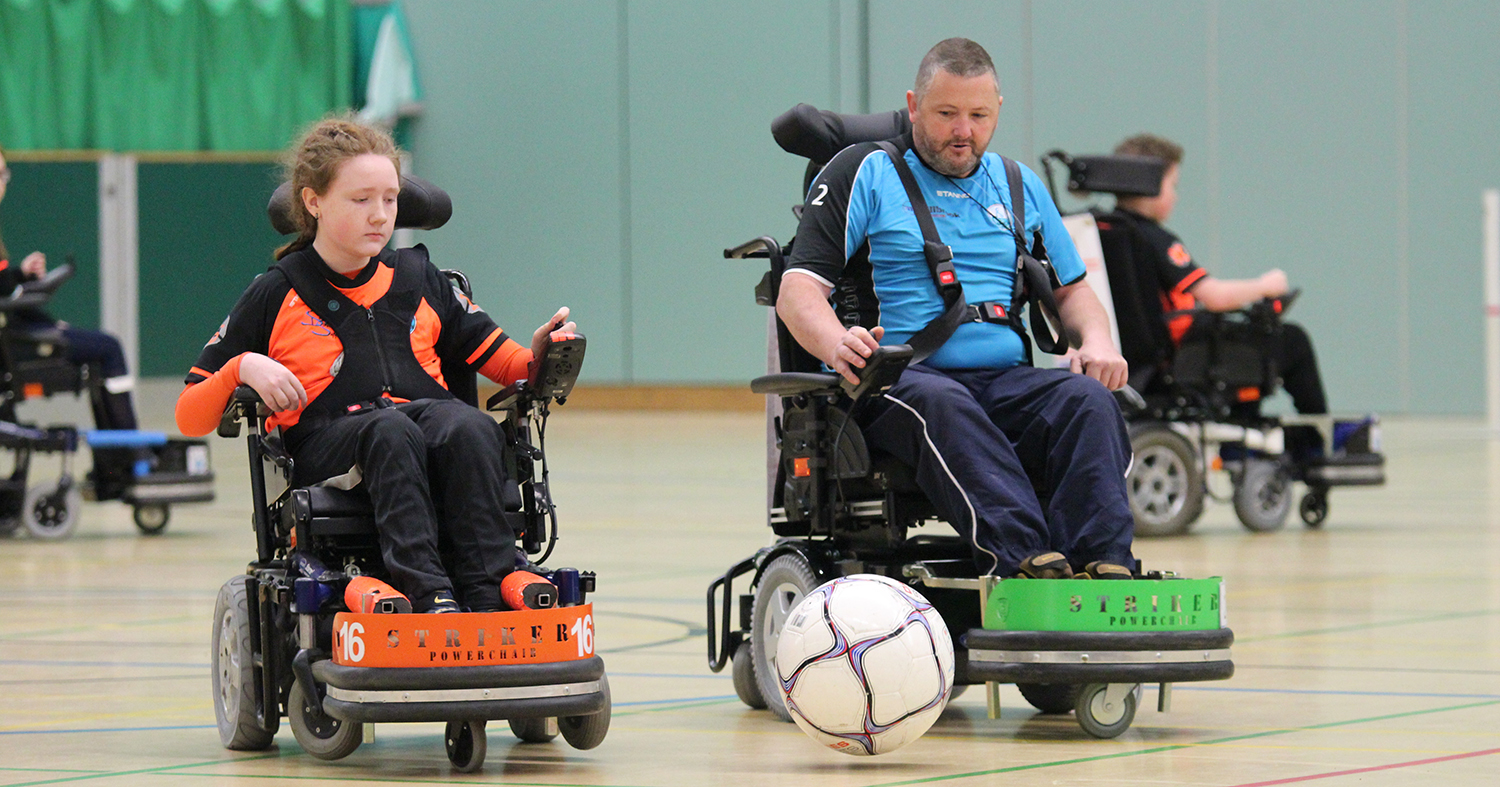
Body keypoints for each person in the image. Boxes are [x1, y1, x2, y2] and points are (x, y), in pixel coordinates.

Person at [174, 117, 575, 613]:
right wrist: (242, 367)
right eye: (361, 200)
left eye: (390, 199)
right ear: (313, 202)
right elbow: (190, 414)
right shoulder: (277, 292)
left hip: (423, 428)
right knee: (390, 430)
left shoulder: (421, 279)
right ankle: (430, 597)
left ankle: (488, 597)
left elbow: (511, 365)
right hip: (329, 446)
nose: (381, 216)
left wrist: (541, 353)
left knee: (470, 426)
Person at [777, 38, 1135, 580]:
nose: (963, 131)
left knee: (1088, 401)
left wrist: (1099, 341)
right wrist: (836, 342)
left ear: (997, 111)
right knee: (945, 404)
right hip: (900, 379)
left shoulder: (1019, 184)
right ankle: (1026, 566)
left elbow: (1073, 292)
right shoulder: (865, 171)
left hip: (1005, 380)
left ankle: (1104, 569)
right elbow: (798, 290)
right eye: (946, 114)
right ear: (914, 105)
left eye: (978, 115)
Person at [1110, 133, 1328, 415]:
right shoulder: (1155, 239)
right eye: (1172, 185)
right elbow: (1214, 297)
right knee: (1292, 340)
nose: (1176, 196)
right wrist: (1265, 285)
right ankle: (1316, 433)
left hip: (1138, 359)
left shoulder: (1104, 231)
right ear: (1150, 184)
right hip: (1179, 355)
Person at [0, 143, 141, 433]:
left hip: (16, 334)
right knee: (109, 347)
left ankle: (118, 450)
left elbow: (5, 290)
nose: (3, 182)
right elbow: (7, 300)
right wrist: (49, 326)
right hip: (15, 343)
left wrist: (22, 275)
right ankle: (129, 447)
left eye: (4, 174)